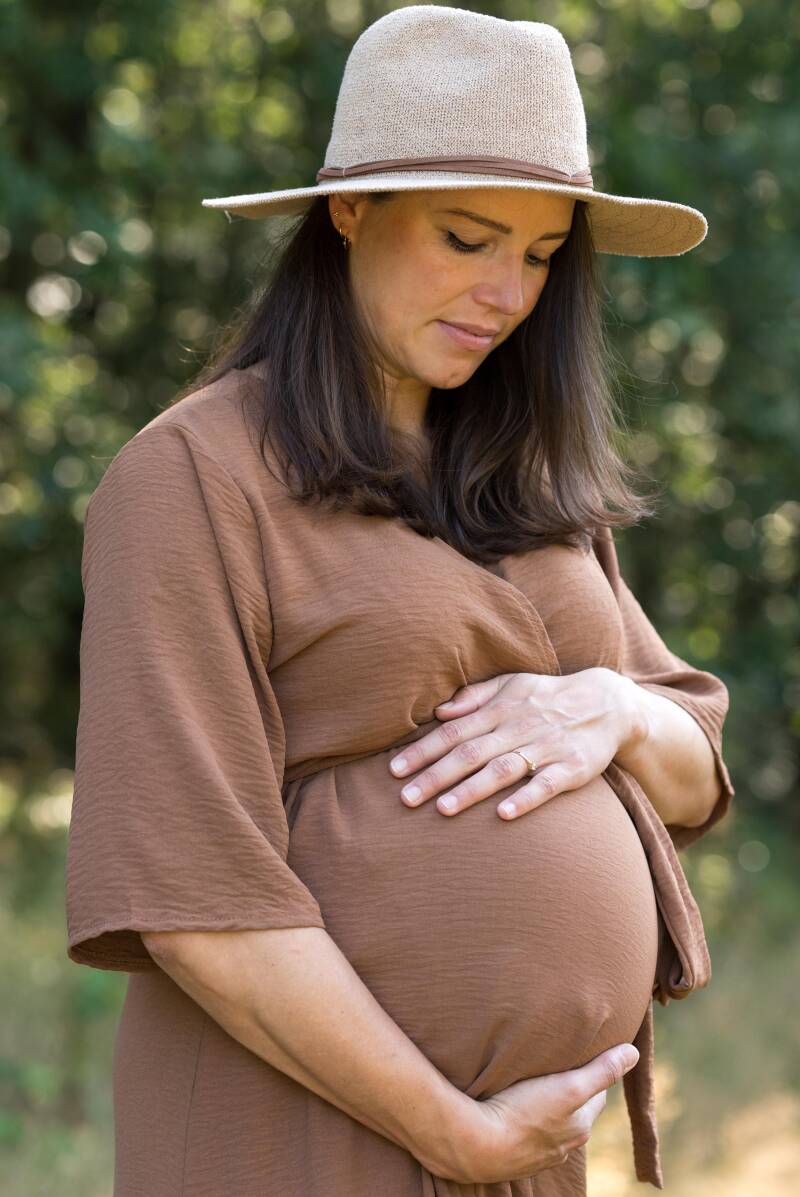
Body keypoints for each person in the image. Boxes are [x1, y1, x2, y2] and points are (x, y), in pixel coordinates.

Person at [65, 8, 735, 1196]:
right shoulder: (192, 479)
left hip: (520, 1159)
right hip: (299, 1135)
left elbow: (691, 773)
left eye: (537, 255)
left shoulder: (526, 478)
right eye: (467, 238)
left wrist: (612, 713)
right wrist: (448, 1129)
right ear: (350, 212)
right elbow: (193, 894)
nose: (505, 292)